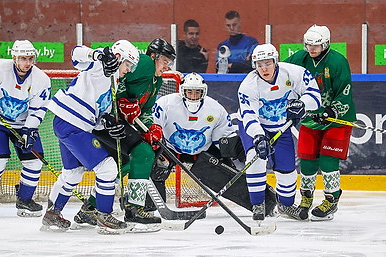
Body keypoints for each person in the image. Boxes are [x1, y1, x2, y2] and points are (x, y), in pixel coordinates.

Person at [73, 38, 176, 232]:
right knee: (144, 153)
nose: (167, 66)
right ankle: (134, 209)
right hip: (107, 120)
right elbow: (118, 77)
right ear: (154, 56)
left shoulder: (156, 81)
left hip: (118, 124)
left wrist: (152, 127)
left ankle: (90, 207)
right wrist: (121, 101)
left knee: (124, 164)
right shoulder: (145, 63)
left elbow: (144, 111)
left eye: (169, 63)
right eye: (165, 61)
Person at [41, 40, 140, 233]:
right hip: (72, 123)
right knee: (108, 169)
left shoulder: (113, 82)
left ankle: (52, 213)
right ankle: (103, 216)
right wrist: (99, 55)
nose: (128, 70)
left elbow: (97, 116)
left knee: (73, 173)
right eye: (128, 65)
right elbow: (76, 53)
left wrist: (108, 124)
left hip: (71, 123)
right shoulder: (100, 65)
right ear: (118, 57)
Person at [145, 72, 277, 216]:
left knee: (227, 176)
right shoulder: (166, 104)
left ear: (204, 91)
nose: (193, 96)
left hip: (202, 152)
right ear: (182, 91)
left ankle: (266, 203)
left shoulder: (215, 108)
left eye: (197, 92)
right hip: (170, 149)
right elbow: (153, 128)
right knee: (158, 169)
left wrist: (240, 152)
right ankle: (148, 209)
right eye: (189, 92)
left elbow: (224, 140)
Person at [237, 43, 321, 223]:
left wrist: (303, 104)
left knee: (287, 170)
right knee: (256, 158)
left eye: (267, 63)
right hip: (254, 127)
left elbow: (314, 95)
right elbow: (249, 115)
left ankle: (285, 204)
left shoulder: (293, 73)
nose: (264, 68)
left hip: (280, 126)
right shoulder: (248, 86)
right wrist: (259, 136)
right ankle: (258, 204)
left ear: (275, 61)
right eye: (259, 64)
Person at [284, 24, 356, 221]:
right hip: (310, 119)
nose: (312, 49)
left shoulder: (337, 61)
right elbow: (281, 73)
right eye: (308, 45)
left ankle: (331, 201)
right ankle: (305, 200)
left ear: (326, 44)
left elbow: (345, 91)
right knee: (306, 161)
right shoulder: (299, 58)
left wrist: (331, 110)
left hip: (337, 119)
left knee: (327, 160)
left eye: (316, 45)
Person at [0, 40, 51, 217]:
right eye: (23, 58)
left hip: (23, 124)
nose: (27, 63)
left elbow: (38, 109)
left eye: (30, 58)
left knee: (35, 161)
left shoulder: (41, 80)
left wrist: (30, 129)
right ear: (14, 57)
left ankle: (24, 200)